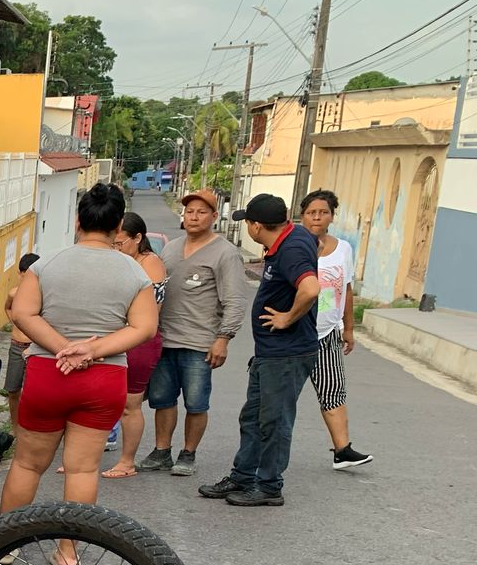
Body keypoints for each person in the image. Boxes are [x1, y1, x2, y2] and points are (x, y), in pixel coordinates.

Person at [3, 183, 157, 565]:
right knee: (84, 468)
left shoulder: (45, 265)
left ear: (77, 220)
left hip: (47, 372)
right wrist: (91, 349)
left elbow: (23, 313)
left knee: (26, 464)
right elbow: (144, 328)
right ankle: (67, 553)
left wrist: (61, 348)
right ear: (118, 224)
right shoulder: (134, 272)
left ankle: (3, 547)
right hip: (103, 379)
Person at [200, 193, 320, 507]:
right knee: (253, 417)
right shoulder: (292, 237)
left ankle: (268, 486)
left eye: (247, 223)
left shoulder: (291, 248)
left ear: (255, 226)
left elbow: (310, 288)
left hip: (287, 352)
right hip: (271, 353)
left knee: (275, 421)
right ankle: (242, 476)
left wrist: (287, 318)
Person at [141, 189, 246, 477]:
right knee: (162, 399)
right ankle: (162, 451)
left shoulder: (225, 253)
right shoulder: (171, 248)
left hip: (200, 342)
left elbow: (235, 300)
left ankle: (188, 453)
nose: (194, 216)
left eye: (201, 212)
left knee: (196, 403)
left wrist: (223, 338)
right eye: (189, 211)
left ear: (214, 216)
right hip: (164, 339)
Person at [298, 189, 372, 469]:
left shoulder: (343, 249)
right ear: (302, 215)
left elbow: (347, 290)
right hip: (294, 333)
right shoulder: (293, 245)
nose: (317, 217)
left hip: (327, 332)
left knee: (333, 391)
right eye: (311, 212)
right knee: (280, 396)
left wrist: (348, 328)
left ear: (332, 216)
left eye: (323, 212)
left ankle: (342, 450)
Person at [103, 213, 168, 478]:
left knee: (131, 403)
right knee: (103, 399)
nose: (116, 248)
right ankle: (87, 456)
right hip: (114, 335)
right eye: (113, 244)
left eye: (120, 243)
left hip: (140, 339)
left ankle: (127, 462)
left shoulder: (151, 263)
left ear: (138, 238)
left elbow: (149, 308)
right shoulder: (118, 261)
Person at [2, 252, 39, 429]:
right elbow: (8, 308)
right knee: (13, 389)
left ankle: (30, 426)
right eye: (25, 275)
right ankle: (15, 427)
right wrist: (16, 323)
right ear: (20, 273)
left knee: (32, 391)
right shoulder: (13, 293)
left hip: (35, 348)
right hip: (16, 346)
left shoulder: (42, 295)